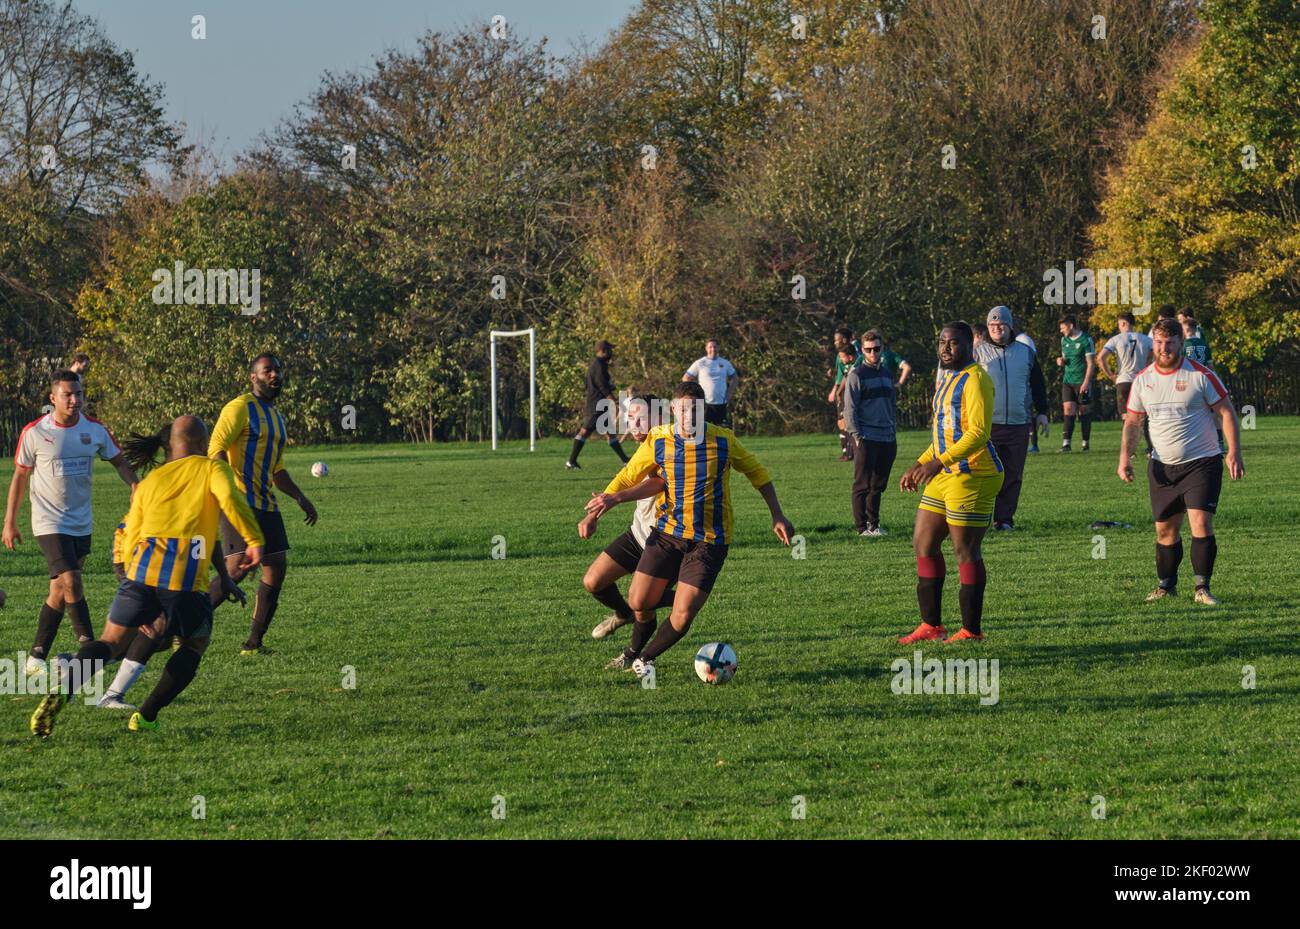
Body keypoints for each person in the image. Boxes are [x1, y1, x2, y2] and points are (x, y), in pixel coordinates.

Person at [29, 415, 263, 737]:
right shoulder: (212, 468)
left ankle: (65, 689)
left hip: (138, 572)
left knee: (110, 642)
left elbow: (132, 530)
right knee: (195, 643)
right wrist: (254, 540)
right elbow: (231, 500)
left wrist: (128, 576)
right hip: (182, 577)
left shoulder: (152, 480)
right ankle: (147, 715)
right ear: (201, 443)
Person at [586, 381, 794, 680]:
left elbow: (758, 474)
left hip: (709, 540)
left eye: (695, 410)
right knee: (638, 601)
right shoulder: (659, 439)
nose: (689, 417)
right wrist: (600, 507)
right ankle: (638, 634)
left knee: (683, 615)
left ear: (703, 411)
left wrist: (778, 514)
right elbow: (629, 474)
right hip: (667, 534)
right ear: (673, 410)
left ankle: (645, 658)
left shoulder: (723, 440)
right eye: (683, 410)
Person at [3, 371, 138, 675]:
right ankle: (90, 651)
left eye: (78, 394)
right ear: (53, 399)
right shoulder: (35, 432)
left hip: (81, 522)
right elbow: (20, 477)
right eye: (68, 395)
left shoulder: (95, 430)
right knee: (73, 581)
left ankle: (36, 657)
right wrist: (9, 522)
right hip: (48, 521)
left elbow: (118, 461)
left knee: (59, 590)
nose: (75, 400)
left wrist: (135, 486)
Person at [1119, 319, 1244, 606]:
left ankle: (1202, 588)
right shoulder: (1142, 380)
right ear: (1154, 344)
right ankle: (1166, 586)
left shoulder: (1201, 375)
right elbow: (1134, 422)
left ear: (1180, 343)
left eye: (1171, 342)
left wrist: (1233, 451)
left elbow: (1226, 412)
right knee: (1165, 530)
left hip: (1202, 462)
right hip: (1162, 466)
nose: (1165, 348)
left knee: (1200, 523)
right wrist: (1125, 456)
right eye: (1160, 343)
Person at [898, 322, 1004, 644]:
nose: (946, 348)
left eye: (953, 343)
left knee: (965, 549)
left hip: (974, 474)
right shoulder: (947, 379)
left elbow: (978, 434)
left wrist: (937, 462)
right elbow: (946, 434)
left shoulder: (976, 379)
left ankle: (972, 631)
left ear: (968, 346)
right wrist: (919, 463)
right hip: (944, 472)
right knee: (923, 543)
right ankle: (932, 626)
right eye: (942, 342)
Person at [208, 353, 317, 655]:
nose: (275, 375)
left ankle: (253, 644)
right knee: (238, 568)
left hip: (266, 504)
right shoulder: (239, 408)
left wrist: (299, 497)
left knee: (276, 567)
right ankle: (184, 623)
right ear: (253, 377)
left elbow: (277, 470)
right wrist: (226, 491)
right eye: (267, 370)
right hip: (240, 501)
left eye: (278, 370)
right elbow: (215, 451)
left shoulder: (277, 417)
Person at [578, 396, 675, 639]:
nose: (635, 424)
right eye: (631, 418)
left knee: (642, 603)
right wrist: (594, 514)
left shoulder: (670, 444)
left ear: (660, 418)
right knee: (593, 582)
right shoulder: (644, 449)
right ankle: (623, 614)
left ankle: (635, 657)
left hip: (667, 541)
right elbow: (626, 476)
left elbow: (659, 482)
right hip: (638, 534)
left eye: (641, 418)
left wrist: (616, 498)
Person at [974, 306, 1048, 531]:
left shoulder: (1025, 352)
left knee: (1013, 473)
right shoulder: (976, 353)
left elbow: (1038, 384)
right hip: (988, 424)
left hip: (1018, 423)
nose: (997, 328)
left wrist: (1042, 412)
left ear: (1010, 326)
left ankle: (1004, 519)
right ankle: (982, 517)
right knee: (986, 474)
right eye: (992, 325)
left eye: (1001, 324)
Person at [843, 330, 898, 537]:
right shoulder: (856, 375)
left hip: (887, 437)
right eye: (868, 350)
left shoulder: (886, 374)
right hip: (866, 437)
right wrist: (857, 436)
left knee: (878, 485)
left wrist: (893, 430)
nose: (873, 353)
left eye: (876, 348)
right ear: (862, 351)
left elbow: (891, 404)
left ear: (882, 348)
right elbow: (850, 409)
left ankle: (874, 525)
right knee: (862, 484)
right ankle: (861, 527)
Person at [567, 341, 630, 470]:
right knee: (585, 431)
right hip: (597, 405)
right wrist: (613, 399)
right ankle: (571, 461)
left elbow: (592, 384)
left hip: (599, 404)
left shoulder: (598, 365)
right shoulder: (599, 365)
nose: (611, 353)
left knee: (610, 433)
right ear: (602, 350)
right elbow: (601, 385)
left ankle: (625, 460)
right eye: (609, 350)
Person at [1098, 312, 1154, 423]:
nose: (1118, 327)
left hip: (1124, 381)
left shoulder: (1116, 339)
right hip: (1141, 381)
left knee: (1126, 417)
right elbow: (1154, 356)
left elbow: (1100, 358)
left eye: (1119, 324)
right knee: (1143, 416)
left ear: (1123, 323)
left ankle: (1129, 439)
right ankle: (1148, 439)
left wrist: (1110, 375)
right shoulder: (1147, 340)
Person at [1056, 315, 1095, 452]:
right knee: (1068, 409)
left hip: (1081, 381)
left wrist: (1086, 382)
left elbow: (1091, 364)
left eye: (1063, 327)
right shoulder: (1064, 340)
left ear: (1071, 325)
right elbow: (1066, 359)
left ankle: (1085, 443)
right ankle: (1066, 444)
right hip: (1068, 381)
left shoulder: (1086, 339)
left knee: (1083, 411)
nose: (1061, 330)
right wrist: (1061, 361)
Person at [682, 339, 738, 426]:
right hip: (705, 402)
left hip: (721, 402)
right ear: (706, 348)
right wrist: (695, 393)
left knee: (720, 430)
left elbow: (734, 378)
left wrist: (729, 393)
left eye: (715, 347)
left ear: (718, 348)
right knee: (703, 429)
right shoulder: (700, 363)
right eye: (710, 347)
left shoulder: (725, 363)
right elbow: (686, 378)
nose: (713, 349)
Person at [828, 327, 862, 461]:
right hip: (843, 392)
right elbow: (843, 374)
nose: (835, 343)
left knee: (847, 421)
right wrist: (836, 391)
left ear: (844, 340)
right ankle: (848, 452)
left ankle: (852, 451)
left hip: (851, 393)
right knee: (842, 422)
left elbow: (849, 374)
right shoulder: (841, 356)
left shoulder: (856, 353)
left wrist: (837, 390)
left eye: (836, 340)